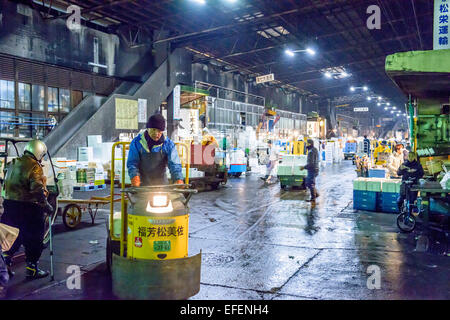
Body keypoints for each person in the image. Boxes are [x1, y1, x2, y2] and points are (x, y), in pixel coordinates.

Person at [1, 140, 54, 279]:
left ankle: (5, 263)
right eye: (42, 155)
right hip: (28, 207)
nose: (42, 158)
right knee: (34, 237)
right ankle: (32, 268)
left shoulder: (13, 163)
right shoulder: (34, 166)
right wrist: (46, 205)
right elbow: (36, 190)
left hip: (9, 204)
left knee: (13, 235)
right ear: (38, 152)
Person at [127, 113, 184, 186]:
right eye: (153, 130)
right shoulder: (137, 142)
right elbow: (132, 163)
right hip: (141, 185)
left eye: (159, 131)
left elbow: (174, 164)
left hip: (162, 185)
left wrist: (178, 179)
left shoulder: (168, 144)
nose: (156, 134)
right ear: (148, 128)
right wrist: (134, 177)